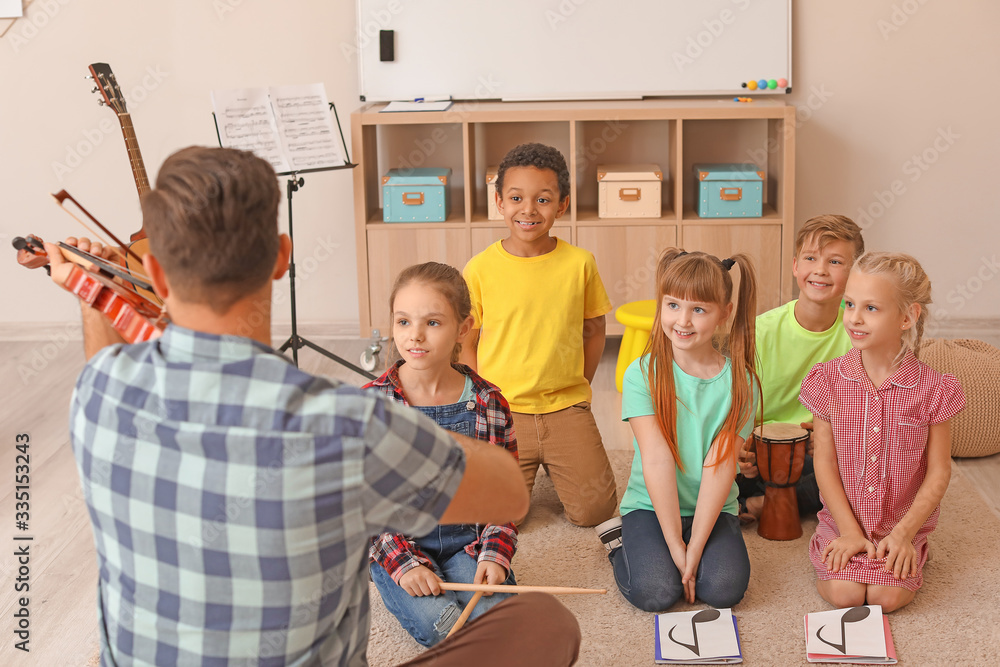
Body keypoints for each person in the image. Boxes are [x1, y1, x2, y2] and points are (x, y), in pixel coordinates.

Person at [49, 146, 581, 666]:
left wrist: (94, 294)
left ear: (156, 274)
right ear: (281, 257)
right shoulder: (348, 424)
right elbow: (510, 493)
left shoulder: (99, 391)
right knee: (546, 622)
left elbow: (110, 365)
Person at [461, 142, 617, 527]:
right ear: (500, 202)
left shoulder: (580, 263)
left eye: (543, 200)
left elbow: (594, 329)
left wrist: (579, 385)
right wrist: (482, 399)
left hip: (566, 407)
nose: (528, 210)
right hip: (505, 411)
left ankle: (557, 462)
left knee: (595, 511)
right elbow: (468, 341)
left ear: (562, 206)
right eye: (516, 198)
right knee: (496, 516)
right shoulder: (479, 269)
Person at [365, 262, 519, 647]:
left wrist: (494, 554)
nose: (415, 335)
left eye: (432, 323)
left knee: (497, 625)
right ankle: (393, 578)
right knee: (445, 625)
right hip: (398, 543)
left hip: (469, 543)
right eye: (403, 322)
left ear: (463, 329)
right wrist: (404, 566)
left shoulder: (488, 403)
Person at [596, 248, 760, 611]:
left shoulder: (742, 382)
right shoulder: (641, 374)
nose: (682, 321)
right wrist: (675, 545)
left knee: (723, 591)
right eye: (673, 305)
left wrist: (695, 547)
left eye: (699, 309)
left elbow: (720, 466)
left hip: (713, 506)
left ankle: (689, 546)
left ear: (724, 313)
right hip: (649, 505)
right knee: (656, 593)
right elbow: (657, 459)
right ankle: (619, 543)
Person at [800, 252, 964, 612]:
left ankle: (911, 546)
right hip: (844, 519)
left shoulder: (935, 389)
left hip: (901, 523)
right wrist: (849, 532)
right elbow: (824, 463)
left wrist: (904, 534)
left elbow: (939, 471)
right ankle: (845, 538)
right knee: (846, 595)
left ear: (907, 317)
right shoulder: (826, 380)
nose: (854, 318)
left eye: (871, 308)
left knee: (884, 598)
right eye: (849, 304)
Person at [738, 214, 865, 523]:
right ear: (796, 266)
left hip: (817, 455)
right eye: (811, 258)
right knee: (702, 465)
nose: (820, 270)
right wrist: (739, 449)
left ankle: (761, 504)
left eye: (835, 262)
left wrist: (829, 438)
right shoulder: (759, 331)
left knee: (864, 471)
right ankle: (775, 500)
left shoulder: (859, 337)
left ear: (855, 274)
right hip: (758, 451)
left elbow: (863, 413)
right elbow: (733, 405)